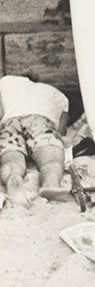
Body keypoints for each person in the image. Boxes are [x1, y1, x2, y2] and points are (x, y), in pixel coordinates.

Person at [0, 74, 68, 206]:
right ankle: (50, 183)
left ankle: (13, 180)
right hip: (40, 121)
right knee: (51, 161)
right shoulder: (59, 96)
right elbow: (61, 131)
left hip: (10, 122)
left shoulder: (6, 81)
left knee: (12, 162)